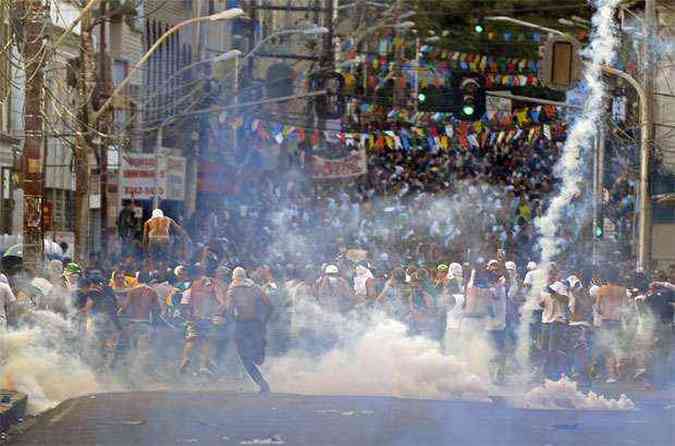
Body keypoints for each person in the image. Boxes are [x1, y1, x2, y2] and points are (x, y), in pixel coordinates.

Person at [227, 267, 273, 394]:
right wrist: (264, 321)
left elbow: (229, 310)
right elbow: (269, 305)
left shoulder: (232, 290)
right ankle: (259, 353)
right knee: (254, 354)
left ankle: (262, 384)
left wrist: (231, 320)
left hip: (242, 325)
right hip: (256, 324)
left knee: (245, 357)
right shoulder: (255, 288)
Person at [179, 265, 228, 375]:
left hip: (194, 318)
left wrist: (188, 317)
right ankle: (203, 365)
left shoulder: (192, 287)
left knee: (191, 339)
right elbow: (222, 303)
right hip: (207, 318)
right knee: (207, 341)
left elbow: (185, 306)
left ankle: (185, 358)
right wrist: (218, 314)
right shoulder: (213, 286)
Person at [117, 272, 161, 375]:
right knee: (144, 350)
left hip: (133, 323)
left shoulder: (132, 291)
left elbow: (124, 308)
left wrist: (119, 312)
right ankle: (139, 373)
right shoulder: (152, 292)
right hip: (145, 324)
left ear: (137, 279)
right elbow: (158, 309)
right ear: (149, 280)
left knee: (132, 348)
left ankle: (129, 372)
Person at [79, 270, 124, 371]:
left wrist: (79, 313)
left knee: (94, 345)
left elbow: (87, 308)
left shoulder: (93, 293)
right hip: (112, 322)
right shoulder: (109, 289)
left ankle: (96, 368)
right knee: (107, 348)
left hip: (98, 324)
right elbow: (117, 305)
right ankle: (106, 367)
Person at [594, 269, 627, 383]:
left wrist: (603, 312)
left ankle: (611, 375)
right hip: (617, 320)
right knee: (617, 346)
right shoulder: (622, 290)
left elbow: (597, 308)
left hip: (606, 321)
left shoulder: (601, 289)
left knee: (608, 349)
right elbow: (625, 308)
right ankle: (619, 366)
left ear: (606, 278)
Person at [538, 281, 570, 380]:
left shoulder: (560, 286)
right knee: (544, 348)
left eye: (552, 272)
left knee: (553, 349)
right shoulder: (543, 287)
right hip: (545, 321)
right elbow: (542, 304)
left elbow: (566, 300)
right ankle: (546, 372)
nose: (549, 275)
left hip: (557, 320)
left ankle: (556, 372)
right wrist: (541, 302)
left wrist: (552, 292)